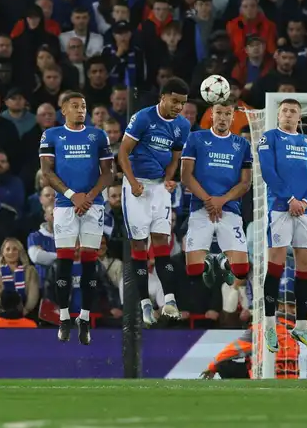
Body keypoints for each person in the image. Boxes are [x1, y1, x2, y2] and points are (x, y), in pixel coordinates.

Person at [40, 92, 114, 343]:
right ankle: (63, 317)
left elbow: (108, 174)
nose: (81, 110)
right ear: (64, 110)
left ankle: (84, 318)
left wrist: (89, 197)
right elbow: (47, 172)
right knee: (64, 263)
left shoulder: (97, 135)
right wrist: (73, 196)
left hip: (93, 206)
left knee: (90, 264)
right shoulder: (51, 135)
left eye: (83, 106)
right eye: (75, 106)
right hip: (64, 205)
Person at [117, 78, 191, 325]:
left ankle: (169, 299)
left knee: (162, 241)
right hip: (136, 184)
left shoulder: (183, 125)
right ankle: (145, 304)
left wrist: (169, 179)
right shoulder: (142, 118)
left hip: (159, 186)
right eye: (175, 101)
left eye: (183, 103)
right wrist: (133, 182)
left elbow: (175, 157)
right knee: (139, 245)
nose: (179, 107)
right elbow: (122, 152)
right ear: (163, 97)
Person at [256, 98, 307, 353]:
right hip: (280, 208)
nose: (287, 114)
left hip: (305, 210)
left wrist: (305, 201)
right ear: (278, 115)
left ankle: (302, 325)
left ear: (300, 118)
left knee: (306, 266)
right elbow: (268, 172)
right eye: (284, 110)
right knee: (277, 264)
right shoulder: (270, 137)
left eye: (292, 111)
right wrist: (290, 199)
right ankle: (270, 324)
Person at [179, 101, 252, 293]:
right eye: (219, 113)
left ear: (233, 117)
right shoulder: (195, 138)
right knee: (193, 270)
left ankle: (220, 261)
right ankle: (209, 261)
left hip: (229, 208)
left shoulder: (242, 144)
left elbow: (245, 183)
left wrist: (222, 200)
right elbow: (185, 176)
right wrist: (209, 200)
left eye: (227, 114)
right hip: (201, 208)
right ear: (211, 114)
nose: (223, 118)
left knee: (242, 270)